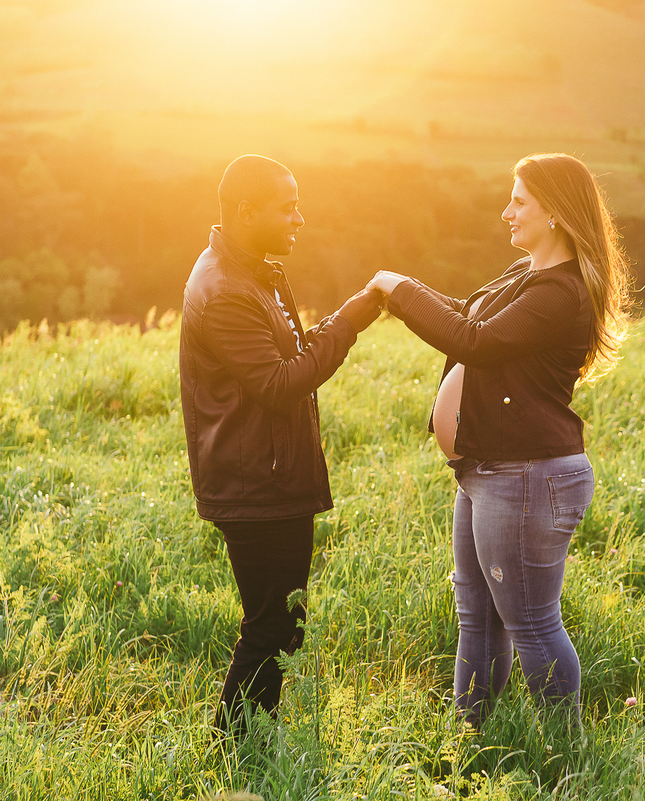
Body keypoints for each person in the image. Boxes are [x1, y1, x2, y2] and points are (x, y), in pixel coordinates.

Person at [367, 153, 632, 727]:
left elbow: (475, 341)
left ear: (555, 214)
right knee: (478, 621)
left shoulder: (560, 294)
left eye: (519, 202)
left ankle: (566, 757)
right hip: (486, 472)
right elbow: (465, 314)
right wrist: (401, 294)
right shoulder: (527, 275)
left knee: (532, 623)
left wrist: (398, 286)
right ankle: (469, 742)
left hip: (528, 477)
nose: (505, 212)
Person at [179, 154, 382, 734]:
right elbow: (278, 383)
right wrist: (350, 321)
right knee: (270, 624)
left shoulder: (248, 269)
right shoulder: (225, 290)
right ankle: (235, 748)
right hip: (255, 485)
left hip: (268, 476)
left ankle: (255, 737)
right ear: (247, 213)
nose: (300, 219)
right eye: (288, 208)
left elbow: (285, 358)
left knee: (281, 623)